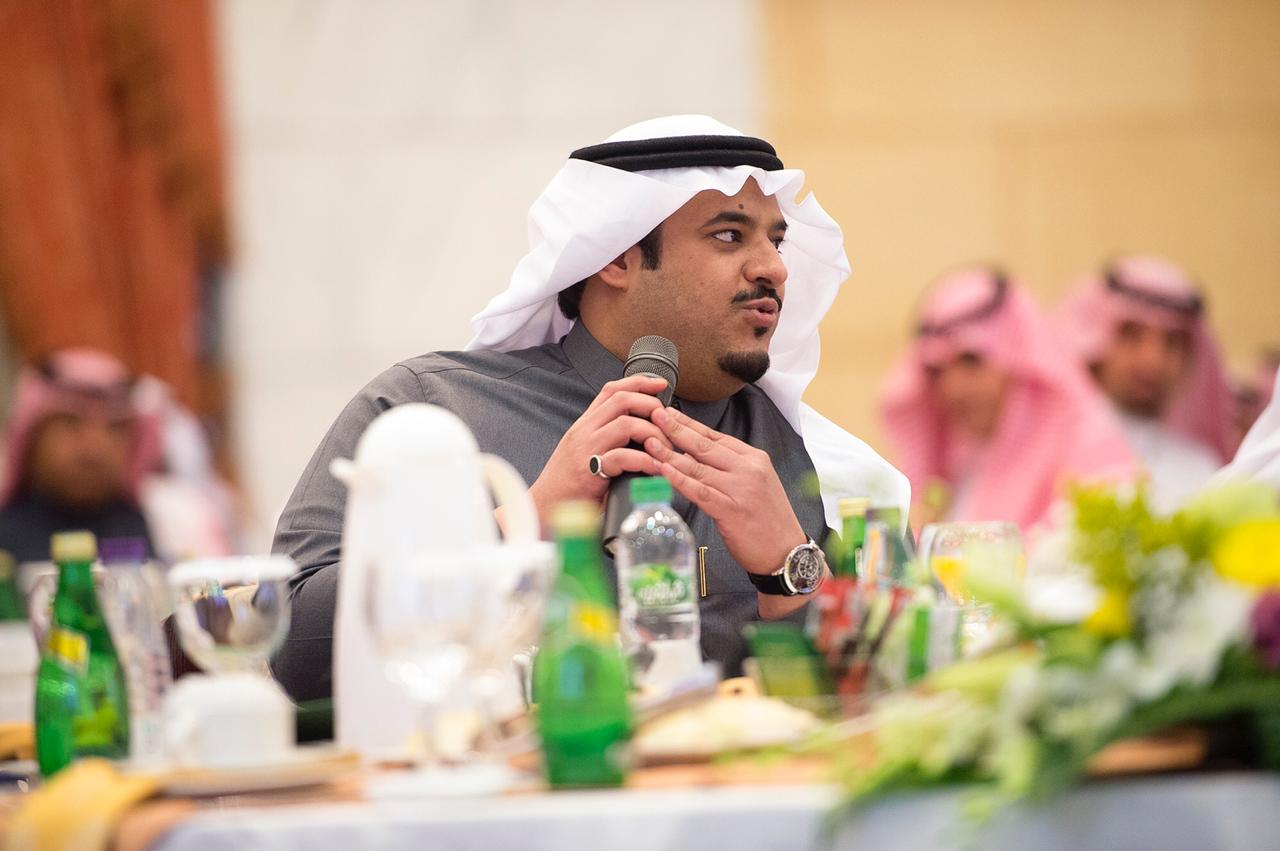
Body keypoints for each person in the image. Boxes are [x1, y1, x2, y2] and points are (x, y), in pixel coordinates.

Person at [271, 115, 907, 702]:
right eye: (728, 235)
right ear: (616, 257)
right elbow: (292, 649)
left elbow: (889, 704)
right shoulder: (430, 411)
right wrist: (525, 523)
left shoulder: (815, 464)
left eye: (776, 241)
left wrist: (788, 573)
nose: (773, 268)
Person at [882, 266, 1133, 532]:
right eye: (937, 371)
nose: (954, 388)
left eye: (971, 361)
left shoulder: (1087, 445)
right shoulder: (953, 465)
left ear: (1018, 361)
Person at [1059, 255, 1235, 510]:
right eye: (1132, 335)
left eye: (1172, 342)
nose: (1152, 360)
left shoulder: (1201, 470)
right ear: (1094, 342)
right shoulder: (1053, 451)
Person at [0, 349, 161, 564]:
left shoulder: (149, 525)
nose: (94, 449)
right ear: (32, 437)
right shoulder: (7, 531)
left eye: (115, 428)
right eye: (71, 423)